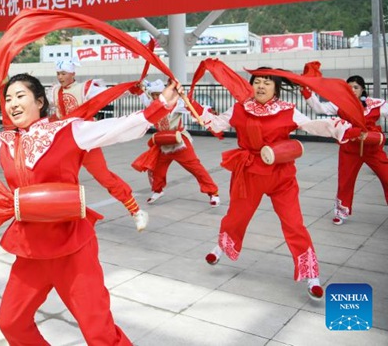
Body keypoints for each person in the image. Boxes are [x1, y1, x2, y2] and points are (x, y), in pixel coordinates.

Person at [0, 73, 180, 345]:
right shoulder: (4, 143)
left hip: (73, 247)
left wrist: (160, 105)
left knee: (98, 332)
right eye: (8, 98)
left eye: (20, 96)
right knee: (11, 321)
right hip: (31, 249)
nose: (12, 103)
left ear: (39, 101)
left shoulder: (69, 130)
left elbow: (119, 127)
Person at [198, 68, 356, 300]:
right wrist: (192, 107)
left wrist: (337, 127)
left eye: (267, 83)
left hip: (281, 175)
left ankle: (311, 274)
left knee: (294, 224)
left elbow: (311, 125)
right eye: (257, 82)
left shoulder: (288, 110)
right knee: (236, 217)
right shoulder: (240, 107)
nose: (261, 86)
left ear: (276, 88)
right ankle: (221, 247)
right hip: (249, 172)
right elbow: (217, 125)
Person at [50, 60, 148, 231]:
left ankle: (136, 211)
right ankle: (62, 218)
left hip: (86, 139)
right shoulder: (54, 91)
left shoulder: (85, 89)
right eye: (58, 73)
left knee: (104, 177)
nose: (60, 77)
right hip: (65, 141)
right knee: (58, 178)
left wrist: (129, 89)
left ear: (73, 73)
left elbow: (109, 94)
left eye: (64, 73)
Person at [304, 75, 388, 225]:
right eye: (349, 88)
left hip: (372, 149)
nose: (352, 90)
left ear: (362, 89)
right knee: (345, 181)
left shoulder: (375, 104)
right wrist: (307, 91)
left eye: (355, 87)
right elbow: (319, 108)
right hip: (350, 149)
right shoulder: (339, 104)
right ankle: (341, 212)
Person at [133, 79, 220, 206]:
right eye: (154, 95)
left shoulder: (175, 103)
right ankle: (158, 190)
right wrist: (137, 88)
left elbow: (192, 108)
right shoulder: (151, 104)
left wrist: (210, 113)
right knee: (158, 169)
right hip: (163, 142)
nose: (156, 97)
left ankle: (213, 193)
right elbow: (141, 95)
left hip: (180, 142)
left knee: (195, 168)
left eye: (159, 94)